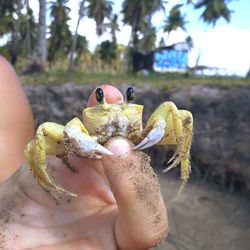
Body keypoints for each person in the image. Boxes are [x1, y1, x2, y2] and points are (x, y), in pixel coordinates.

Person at [0, 56, 168, 249]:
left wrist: (8, 208)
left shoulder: (2, 77)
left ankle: (183, 161)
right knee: (41, 136)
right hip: (85, 145)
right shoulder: (76, 128)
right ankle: (47, 181)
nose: (114, 116)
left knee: (176, 113)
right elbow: (48, 139)